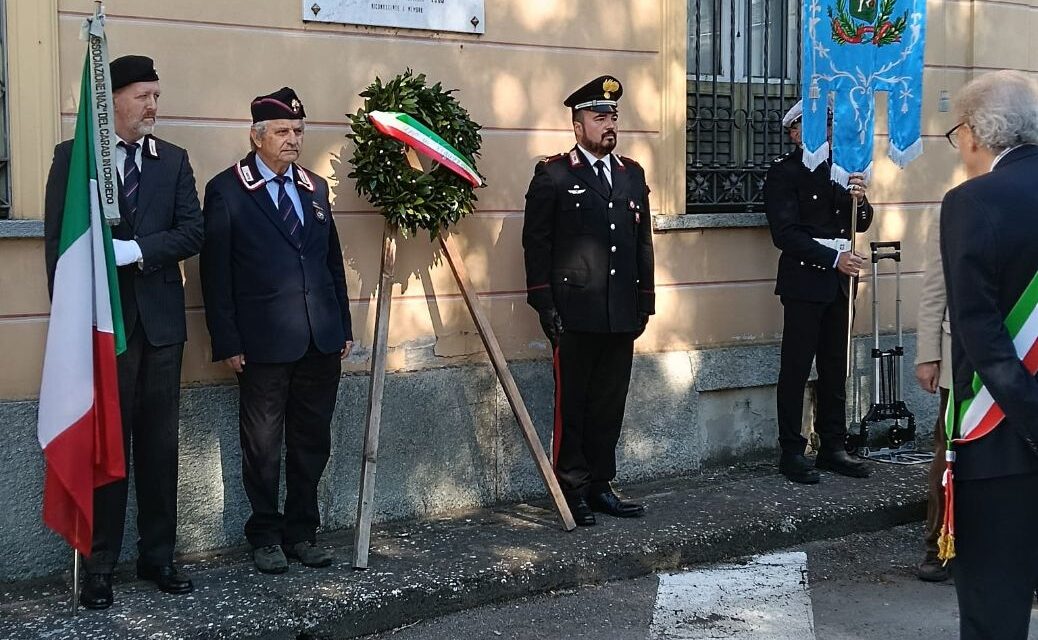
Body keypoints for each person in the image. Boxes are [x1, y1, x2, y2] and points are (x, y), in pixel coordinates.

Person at [44, 55, 203, 608]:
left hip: (159, 330)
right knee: (106, 449)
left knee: (160, 449)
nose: (153, 106)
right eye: (142, 95)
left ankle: (158, 555)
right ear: (110, 100)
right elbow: (57, 253)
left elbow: (193, 232)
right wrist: (69, 327)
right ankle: (100, 565)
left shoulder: (173, 161)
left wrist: (137, 249)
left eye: (156, 96)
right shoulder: (75, 159)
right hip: (102, 331)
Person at [200, 87, 353, 574]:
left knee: (312, 441)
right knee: (263, 445)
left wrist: (343, 325)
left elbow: (331, 263)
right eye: (283, 131)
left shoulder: (315, 188)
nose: (293, 140)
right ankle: (264, 534)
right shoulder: (227, 190)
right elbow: (215, 275)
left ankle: (302, 532)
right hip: (262, 344)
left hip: (319, 339)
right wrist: (227, 341)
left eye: (299, 131)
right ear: (257, 135)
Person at [522, 75, 655, 526]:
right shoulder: (555, 174)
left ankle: (602, 484)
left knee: (608, 405)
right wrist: (544, 305)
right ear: (577, 125)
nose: (609, 124)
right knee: (574, 405)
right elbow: (535, 244)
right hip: (574, 315)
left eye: (613, 116)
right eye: (599, 117)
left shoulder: (631, 175)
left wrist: (645, 303)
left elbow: (642, 245)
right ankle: (572, 488)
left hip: (620, 312)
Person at [940, 69, 1038, 640]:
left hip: (1001, 438)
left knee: (994, 609)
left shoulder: (971, 202)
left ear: (976, 133)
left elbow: (980, 333)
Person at [763, 100, 874, 484]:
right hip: (805, 280)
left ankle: (833, 446)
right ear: (795, 133)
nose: (827, 132)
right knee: (795, 368)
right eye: (815, 126)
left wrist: (861, 196)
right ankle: (792, 451)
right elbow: (786, 234)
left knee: (834, 366)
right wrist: (832, 259)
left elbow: (859, 220)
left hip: (841, 283)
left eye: (828, 125)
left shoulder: (839, 173)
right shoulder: (784, 174)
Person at [914, 207, 952, 583]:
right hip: (963, 361)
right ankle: (939, 544)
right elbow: (935, 286)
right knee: (950, 454)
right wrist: (928, 353)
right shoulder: (957, 204)